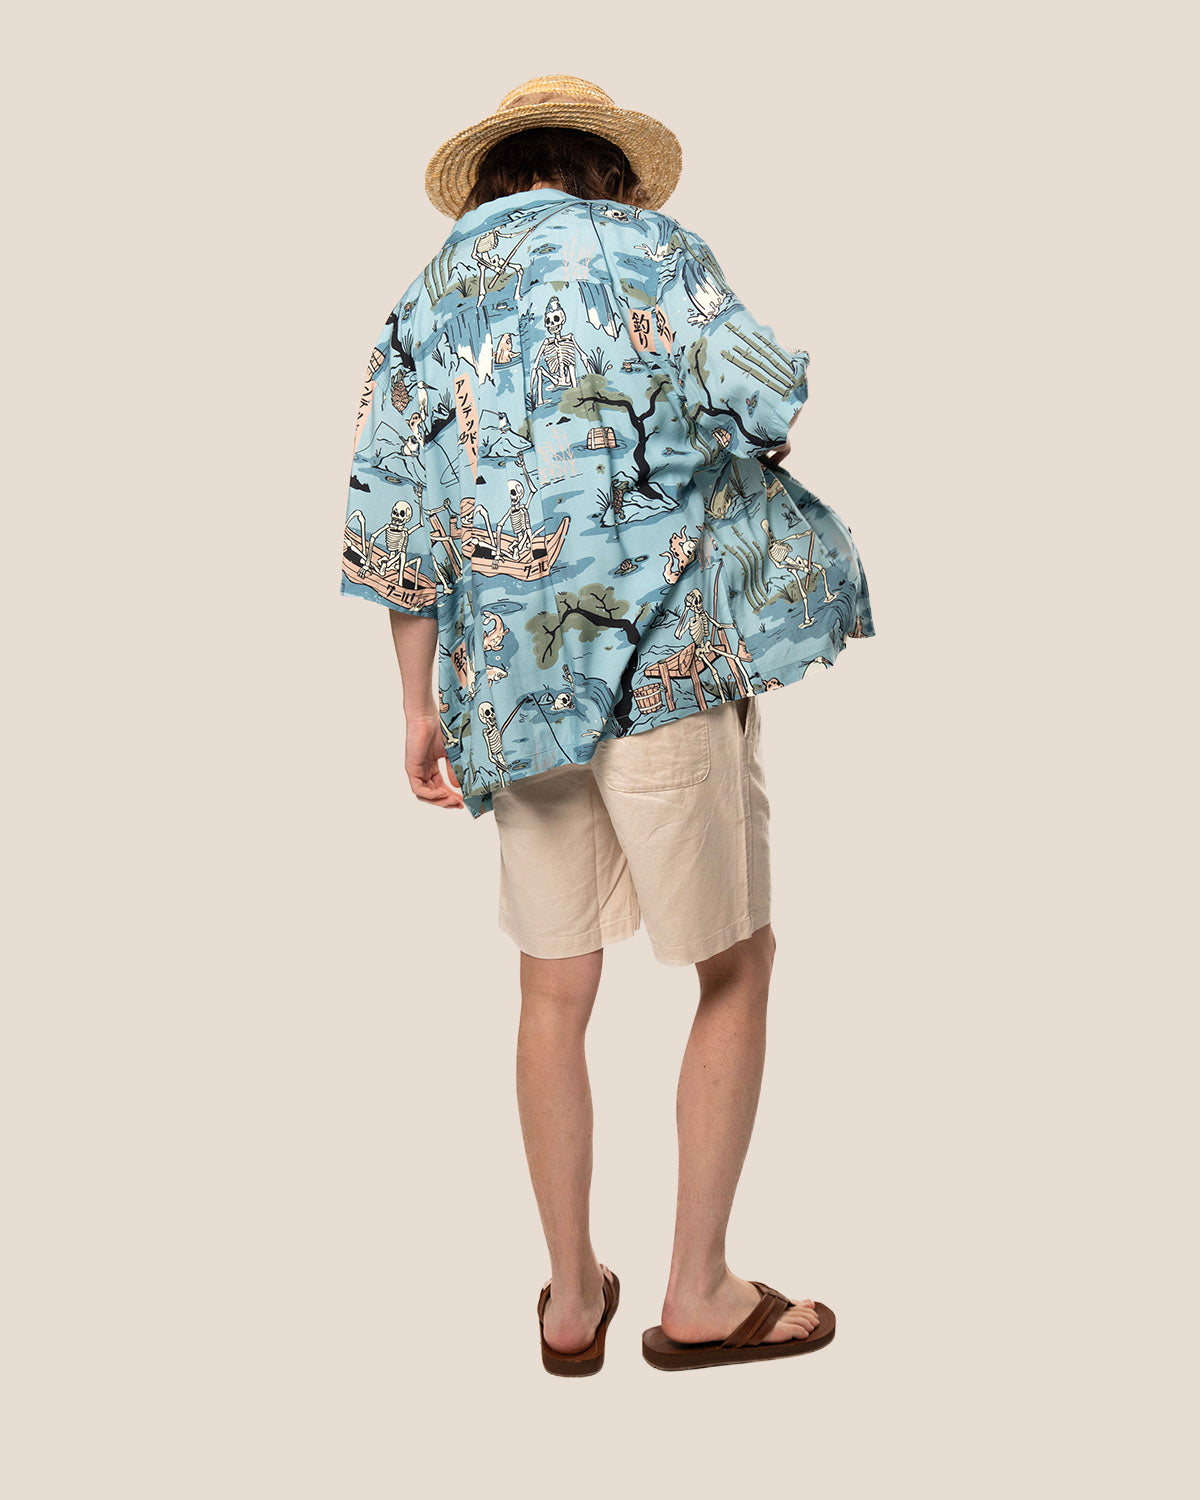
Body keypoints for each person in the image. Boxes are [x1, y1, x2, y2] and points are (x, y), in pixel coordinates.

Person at [340, 75, 876, 1374]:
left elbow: (394, 522)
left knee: (552, 985)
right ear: (609, 170)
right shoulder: (657, 252)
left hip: (510, 689)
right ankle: (698, 1293)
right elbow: (767, 397)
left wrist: (416, 706)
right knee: (733, 963)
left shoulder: (428, 295)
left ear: (492, 178)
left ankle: (572, 1301)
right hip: (662, 664)